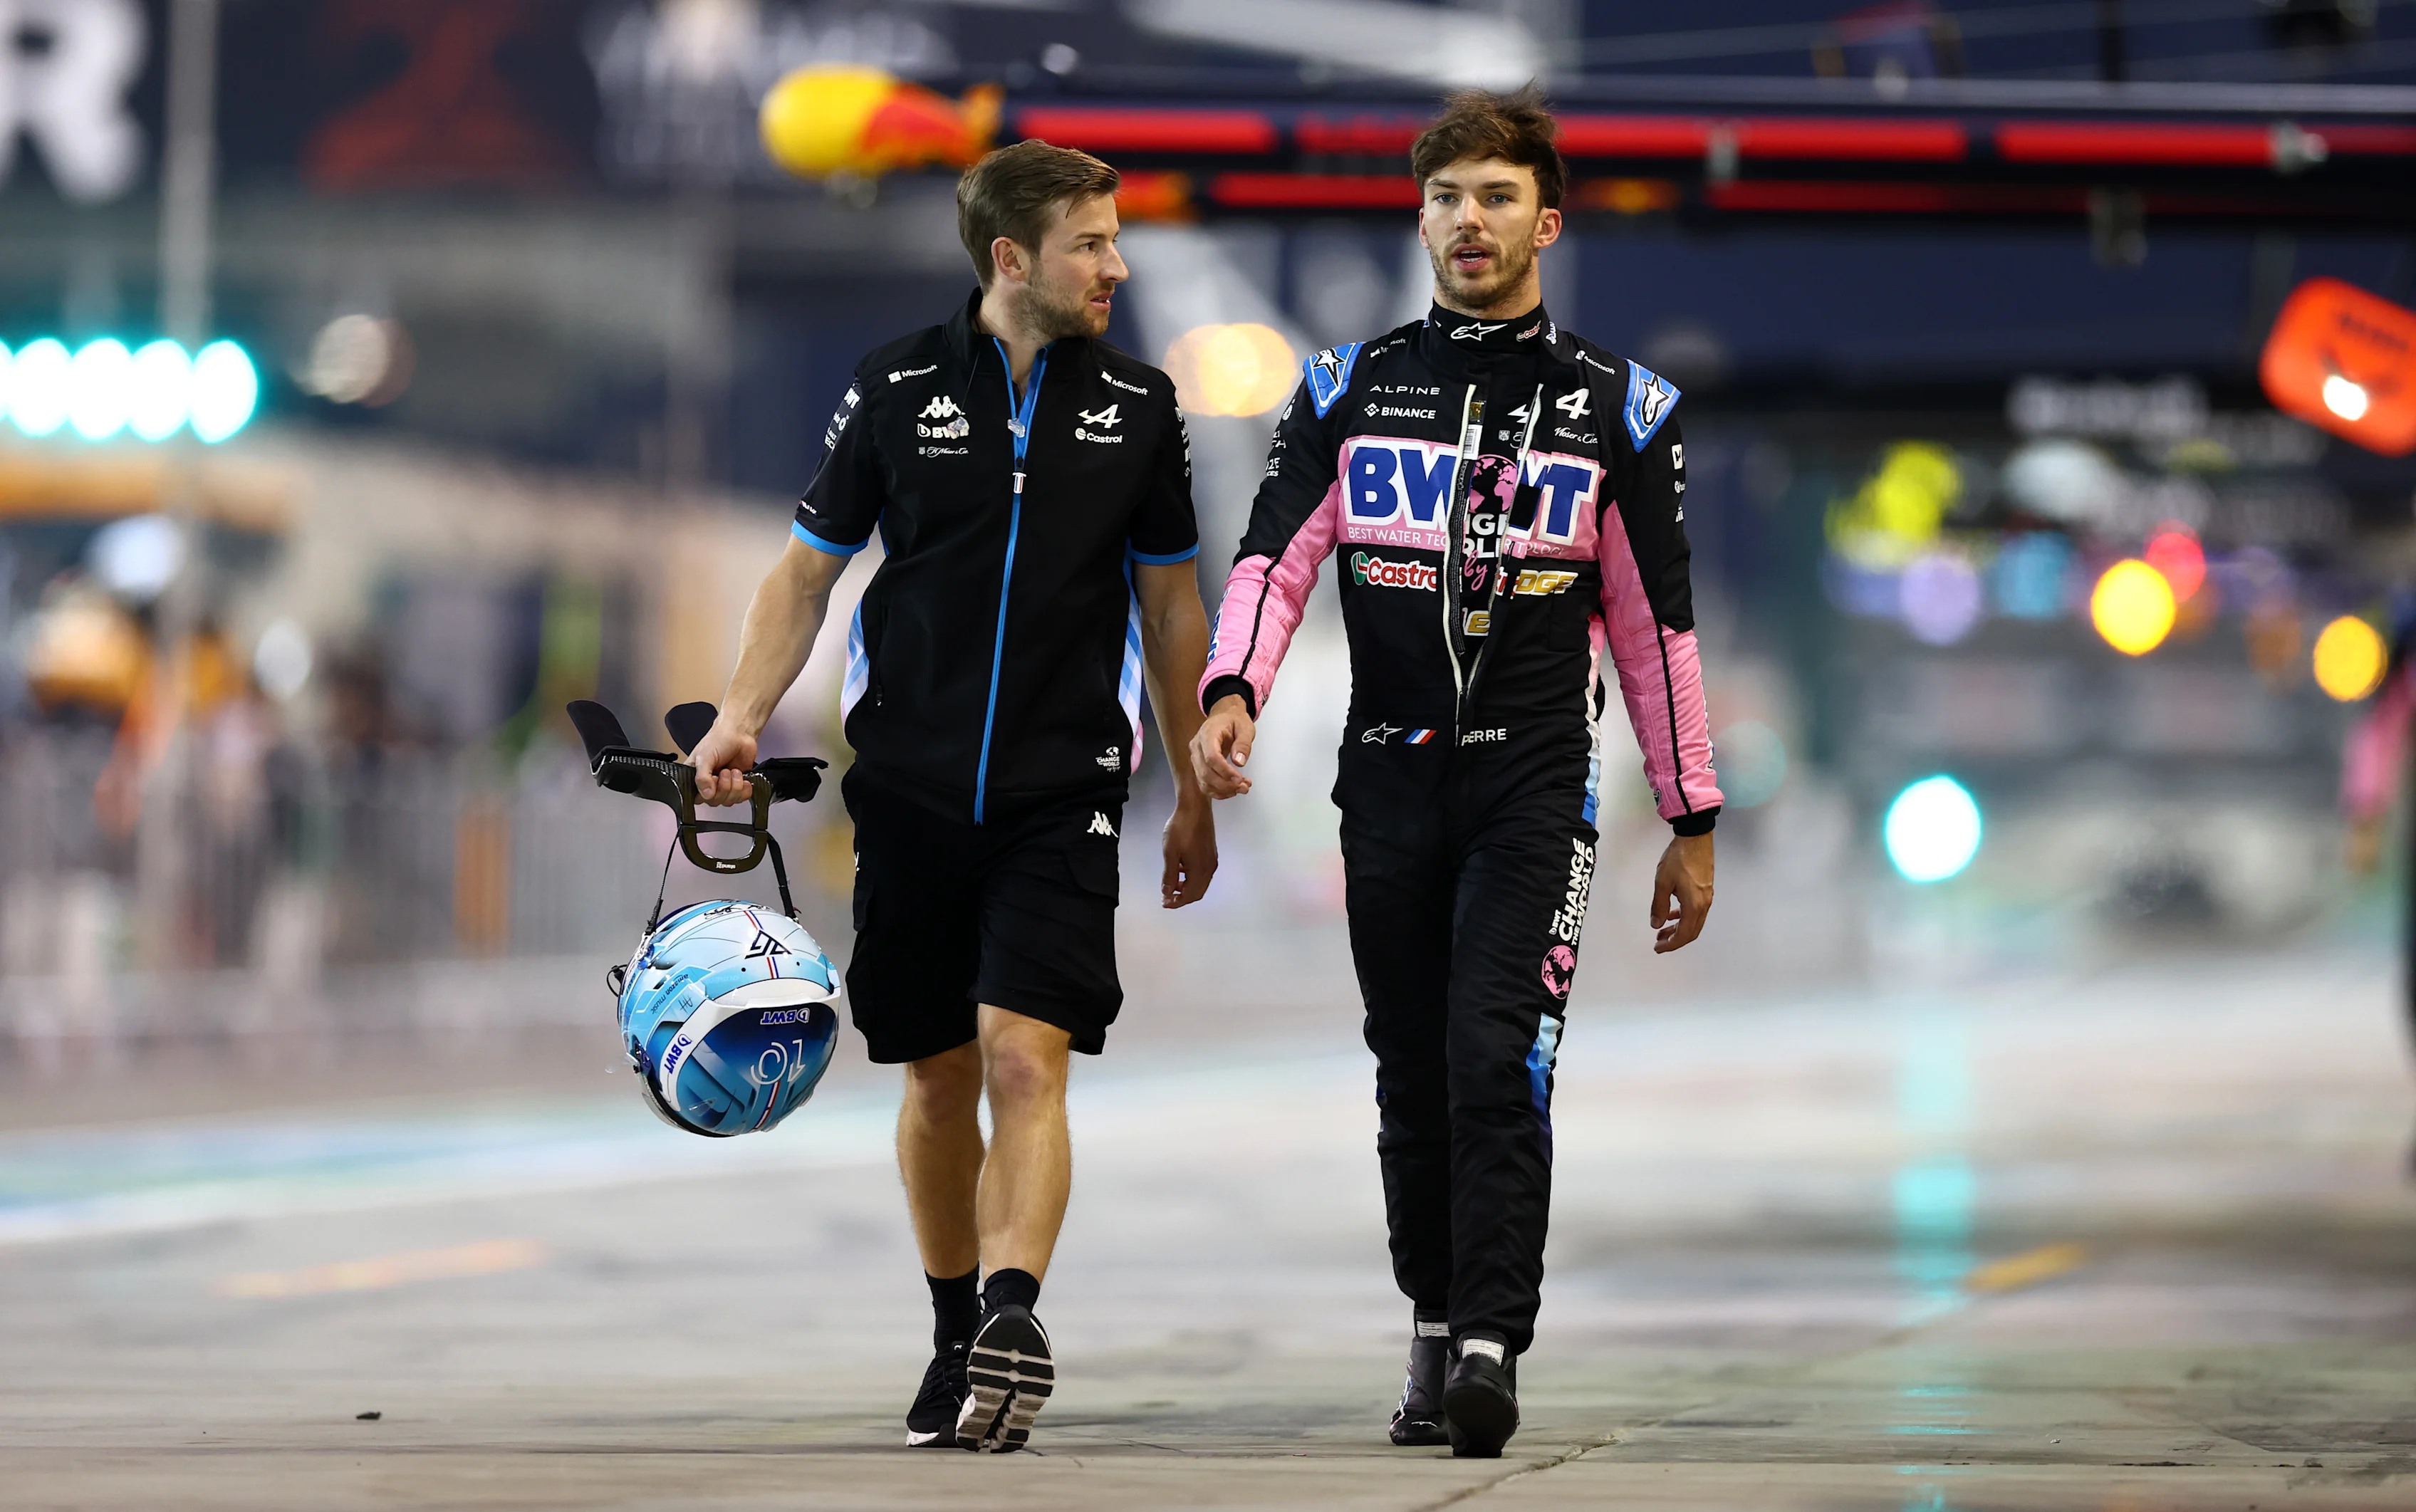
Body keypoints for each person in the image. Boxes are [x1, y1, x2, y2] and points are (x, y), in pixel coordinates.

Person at [1190, 86, 1720, 1459]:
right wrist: (1235, 688)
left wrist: (1692, 813)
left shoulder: (1626, 406)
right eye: (1444, 197)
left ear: (1547, 218)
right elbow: (1272, 558)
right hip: (1388, 782)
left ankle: (1490, 1344)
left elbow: (1658, 627)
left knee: (1497, 1057)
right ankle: (1430, 1322)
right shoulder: (1346, 387)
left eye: (1494, 197)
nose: (1466, 221)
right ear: (1419, 218)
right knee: (1410, 1069)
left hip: (1535, 785)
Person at [684, 140, 1218, 1454]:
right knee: (933, 1077)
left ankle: (1015, 1315)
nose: (1118, 264)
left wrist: (1197, 779)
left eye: (1116, 238)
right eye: (1092, 242)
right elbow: (805, 576)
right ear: (1012, 259)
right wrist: (741, 720)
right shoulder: (896, 386)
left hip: (1063, 789)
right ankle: (950, 1330)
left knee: (1027, 1055)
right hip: (911, 790)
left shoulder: (1143, 407)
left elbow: (1166, 606)